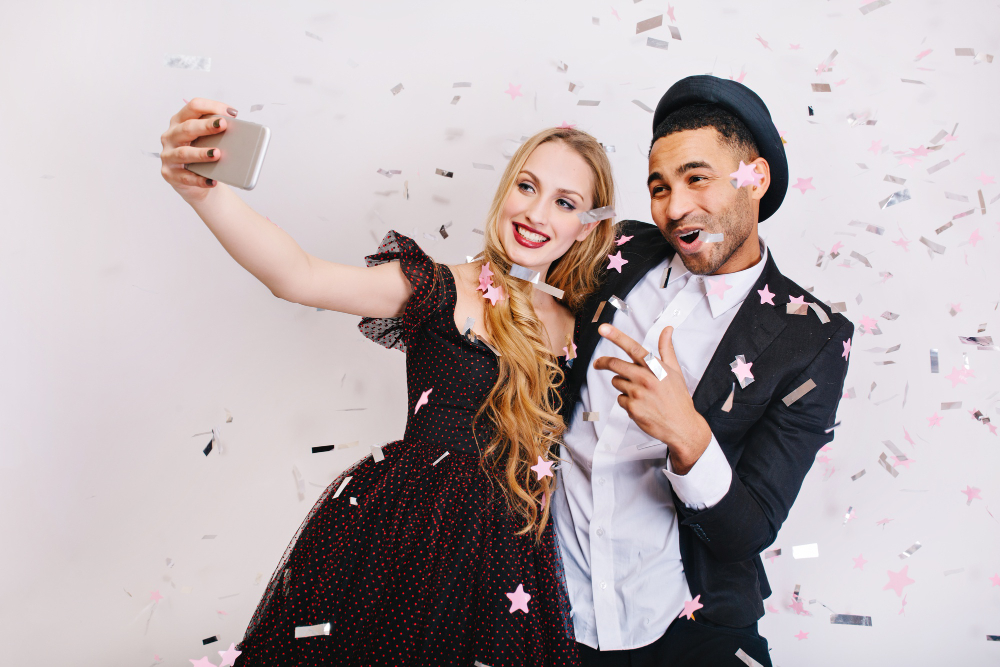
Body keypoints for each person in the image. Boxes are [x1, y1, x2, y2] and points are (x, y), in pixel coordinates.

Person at [159, 99, 619, 666]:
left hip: (506, 567)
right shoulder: (440, 286)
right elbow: (298, 275)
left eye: (565, 202)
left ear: (587, 227)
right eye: (527, 187)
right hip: (406, 542)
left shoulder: (580, 330)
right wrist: (205, 193)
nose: (537, 212)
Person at [552, 76, 854, 666]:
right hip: (552, 616)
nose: (675, 207)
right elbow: (517, 282)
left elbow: (751, 528)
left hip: (692, 622)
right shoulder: (618, 251)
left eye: (697, 178)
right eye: (659, 187)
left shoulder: (810, 338)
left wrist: (688, 435)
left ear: (755, 179)